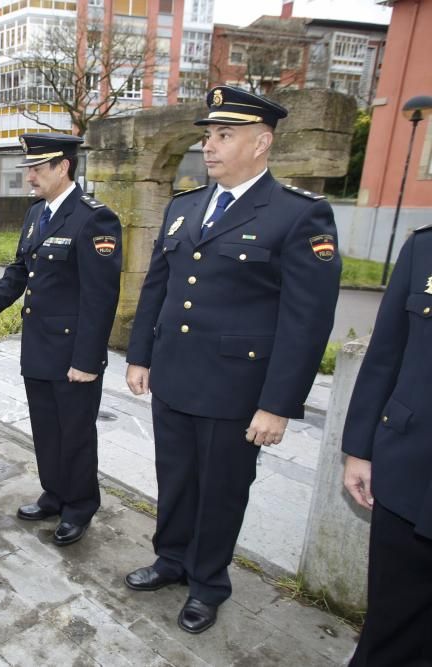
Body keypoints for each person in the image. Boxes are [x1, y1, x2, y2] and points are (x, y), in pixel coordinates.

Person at [123, 85, 342, 634]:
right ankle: (171, 559)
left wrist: (277, 405)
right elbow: (158, 288)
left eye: (224, 135)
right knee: (174, 480)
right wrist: (141, 355)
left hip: (235, 388)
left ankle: (207, 582)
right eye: (209, 135)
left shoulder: (297, 215)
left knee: (220, 490)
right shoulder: (185, 205)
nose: (211, 146)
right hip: (174, 377)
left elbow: (306, 321)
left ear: (262, 143)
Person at [0, 133, 122, 547]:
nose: (31, 179)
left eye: (38, 170)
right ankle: (54, 493)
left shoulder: (94, 219)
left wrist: (88, 360)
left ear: (64, 167)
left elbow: (100, 298)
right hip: (38, 346)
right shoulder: (36, 214)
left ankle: (79, 506)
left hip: (73, 352)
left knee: (75, 432)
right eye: (30, 171)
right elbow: (19, 271)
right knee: (46, 428)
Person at [341, 226, 432, 666]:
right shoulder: (424, 246)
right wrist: (360, 449)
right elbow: (386, 353)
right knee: (390, 621)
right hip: (410, 470)